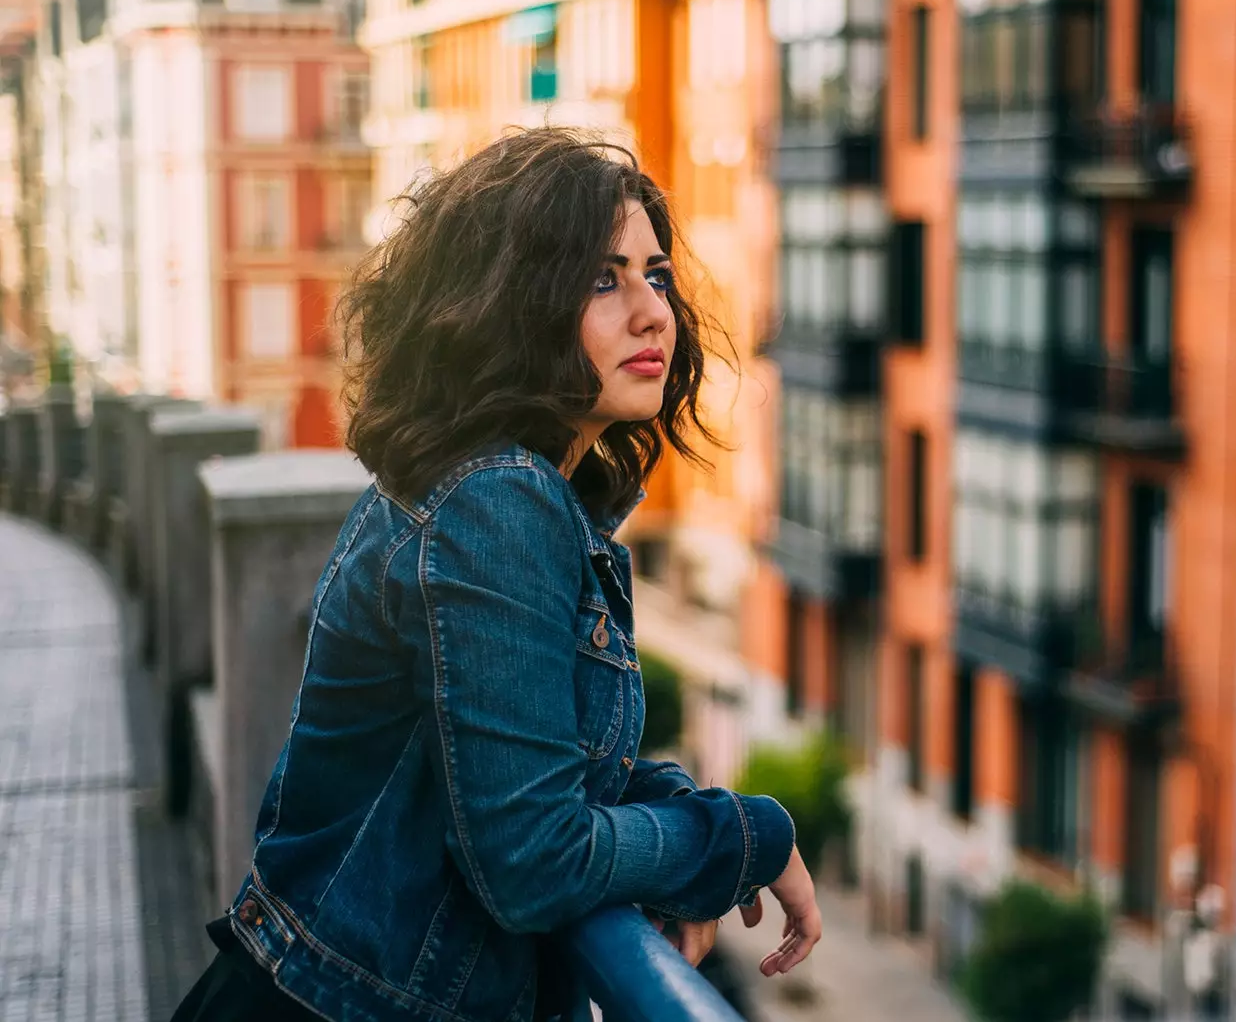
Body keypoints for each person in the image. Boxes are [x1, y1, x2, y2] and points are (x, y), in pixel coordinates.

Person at [170, 127, 822, 1022]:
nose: (652, 312)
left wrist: (703, 814)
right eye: (603, 279)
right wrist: (739, 841)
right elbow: (534, 859)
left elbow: (526, 752)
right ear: (511, 303)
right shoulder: (498, 503)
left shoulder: (515, 492)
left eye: (655, 273)